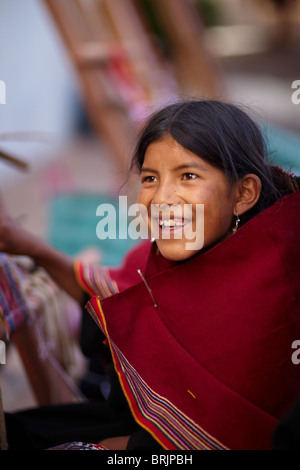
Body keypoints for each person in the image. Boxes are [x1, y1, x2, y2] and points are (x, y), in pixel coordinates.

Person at [1, 99, 300, 450]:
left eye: (188, 176)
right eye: (150, 178)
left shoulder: (278, 283)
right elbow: (108, 298)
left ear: (243, 193)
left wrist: (120, 447)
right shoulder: (163, 257)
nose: (161, 199)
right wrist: (28, 245)